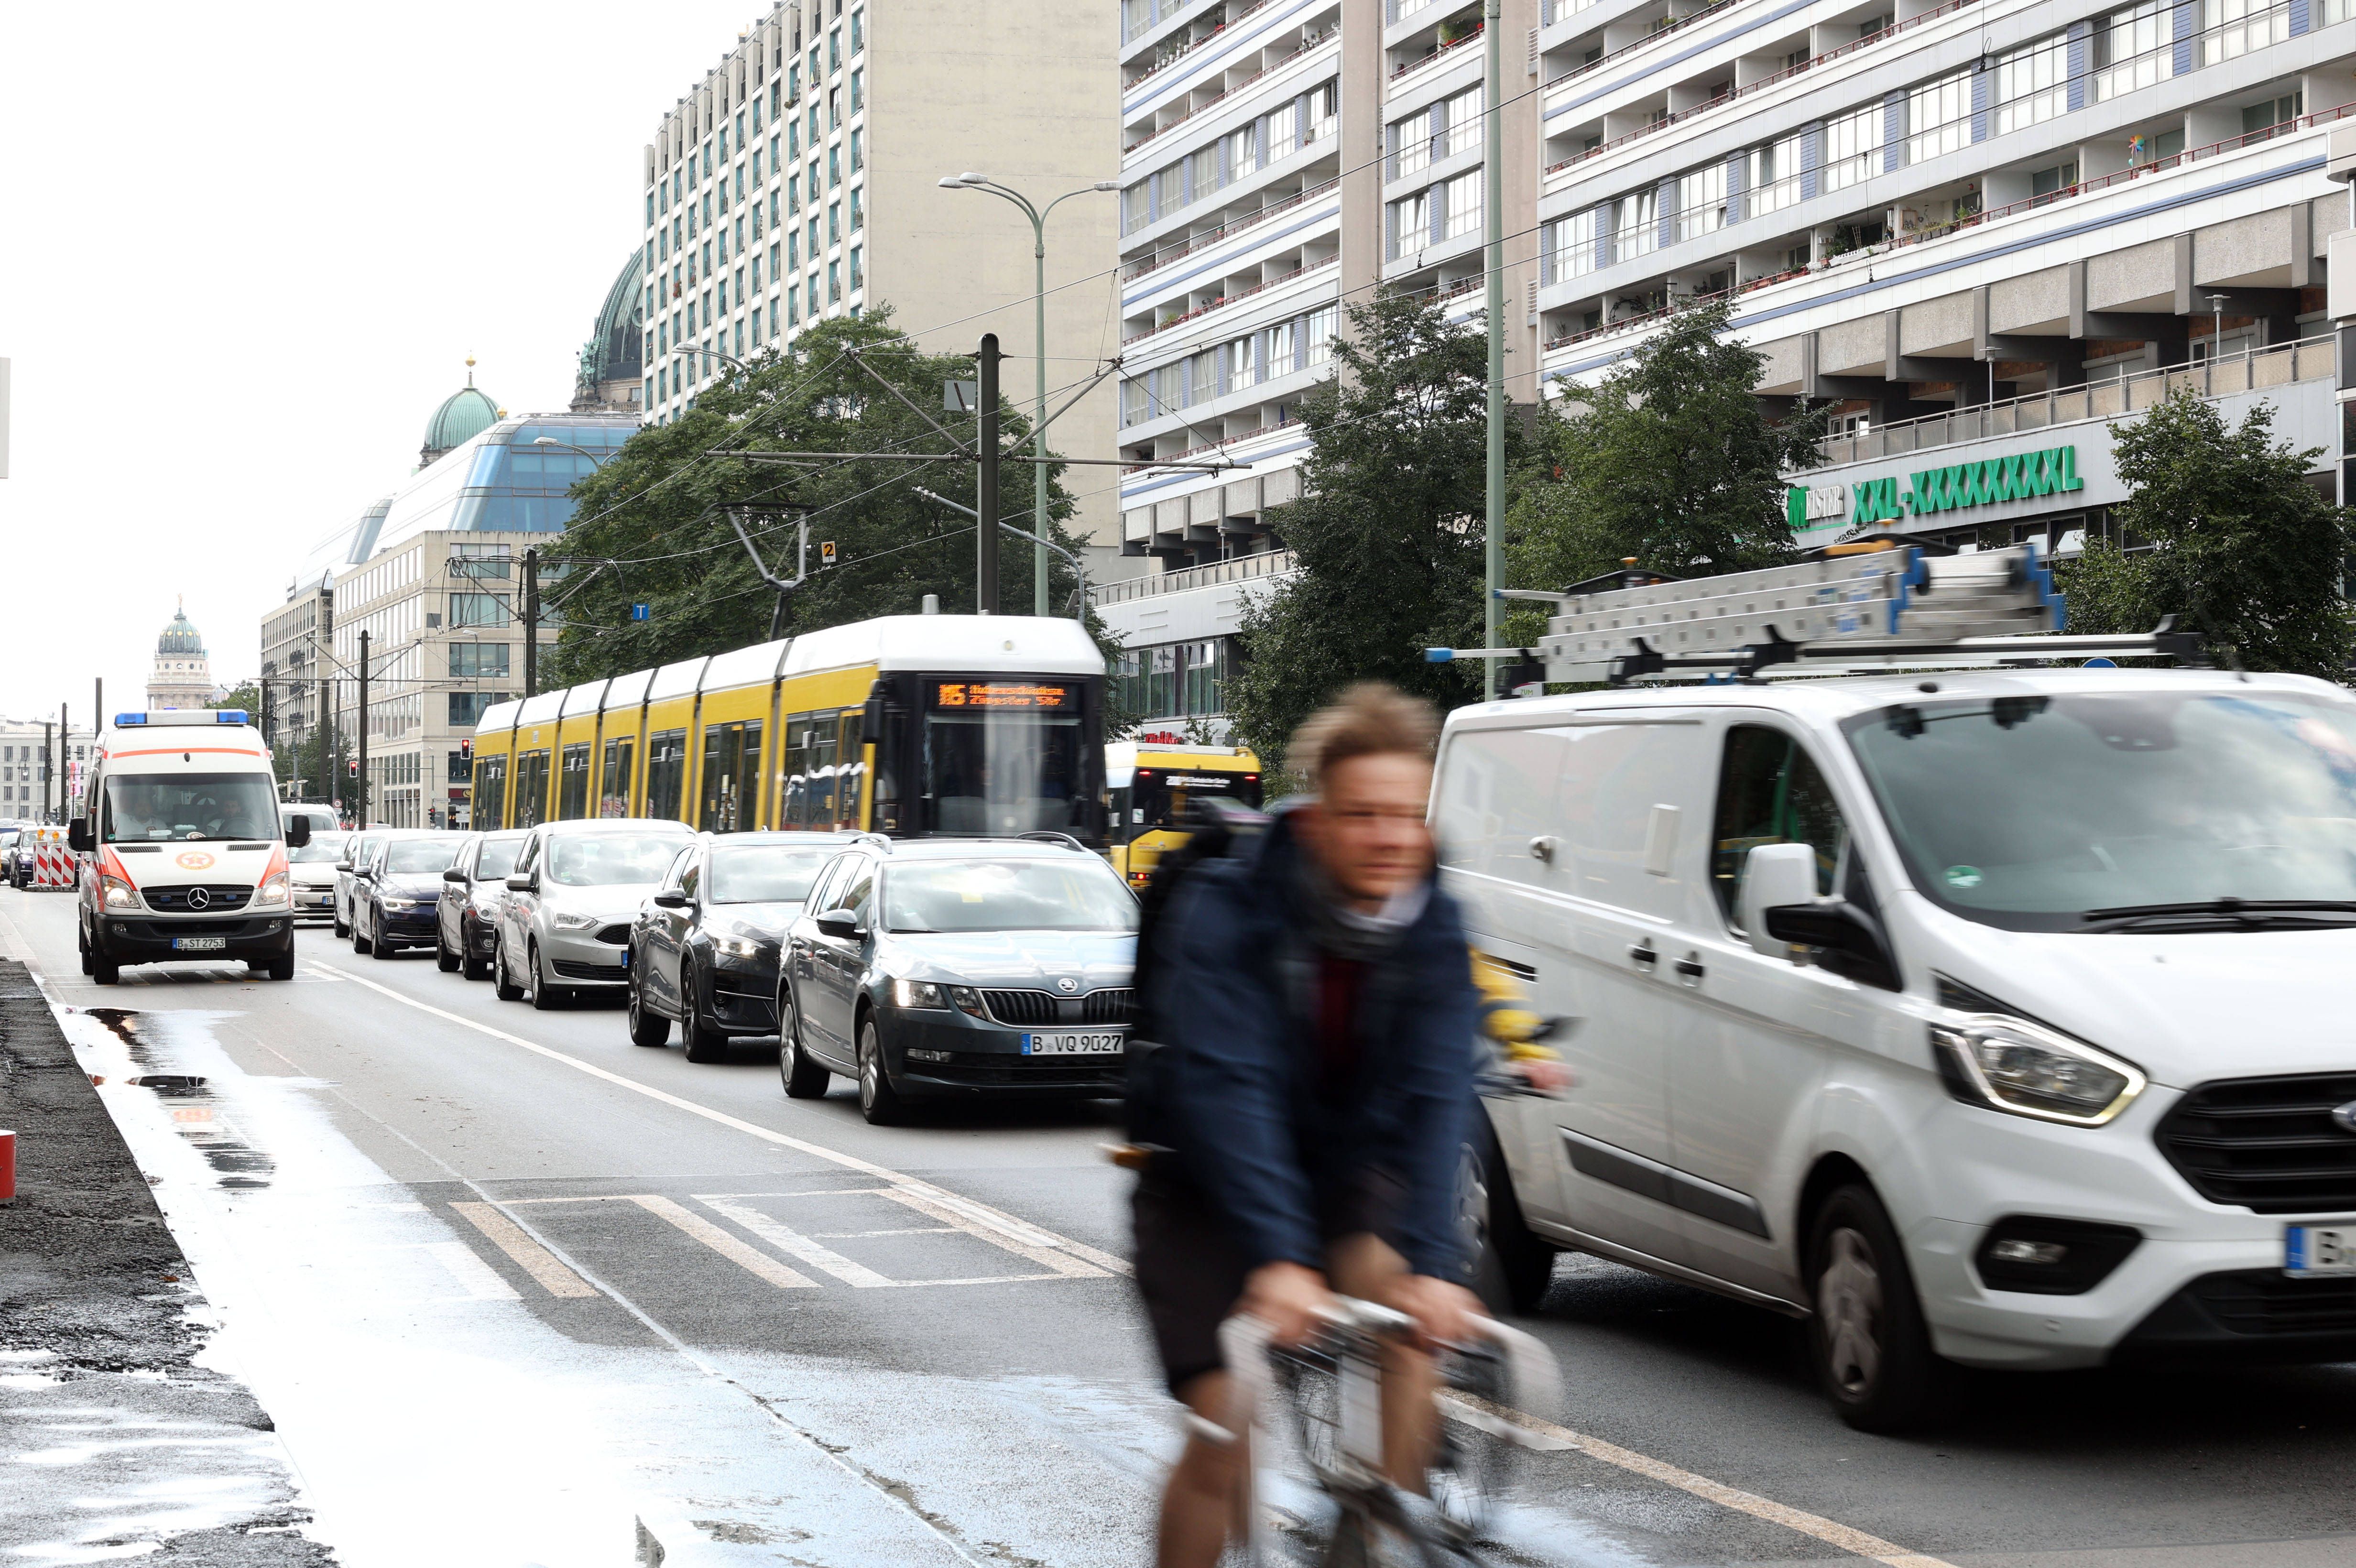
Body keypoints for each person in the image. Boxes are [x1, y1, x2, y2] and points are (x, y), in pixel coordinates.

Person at [1130, 682, 1483, 1568]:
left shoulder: (1435, 926)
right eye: (1363, 814)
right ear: (1321, 821)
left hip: (1339, 1172)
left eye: (1406, 816)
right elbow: (1229, 1087)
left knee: (1407, 1326)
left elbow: (1441, 1095)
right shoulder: (1233, 908)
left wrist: (1437, 1271)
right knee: (1225, 1421)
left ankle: (1374, 1528)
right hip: (1202, 1181)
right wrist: (1282, 1260)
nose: (1389, 838)